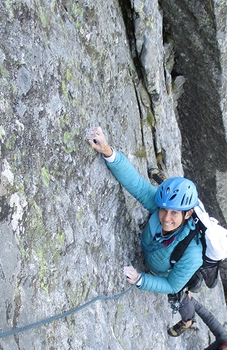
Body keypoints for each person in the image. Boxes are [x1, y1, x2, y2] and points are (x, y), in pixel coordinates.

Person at [85, 126, 202, 335]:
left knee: (182, 296)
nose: (166, 218)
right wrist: (108, 152)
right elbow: (137, 185)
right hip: (154, 251)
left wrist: (141, 280)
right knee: (157, 194)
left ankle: (188, 322)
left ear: (188, 214)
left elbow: (172, 285)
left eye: (175, 213)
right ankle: (162, 180)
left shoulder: (192, 254)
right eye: (164, 209)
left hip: (166, 273)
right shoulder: (160, 207)